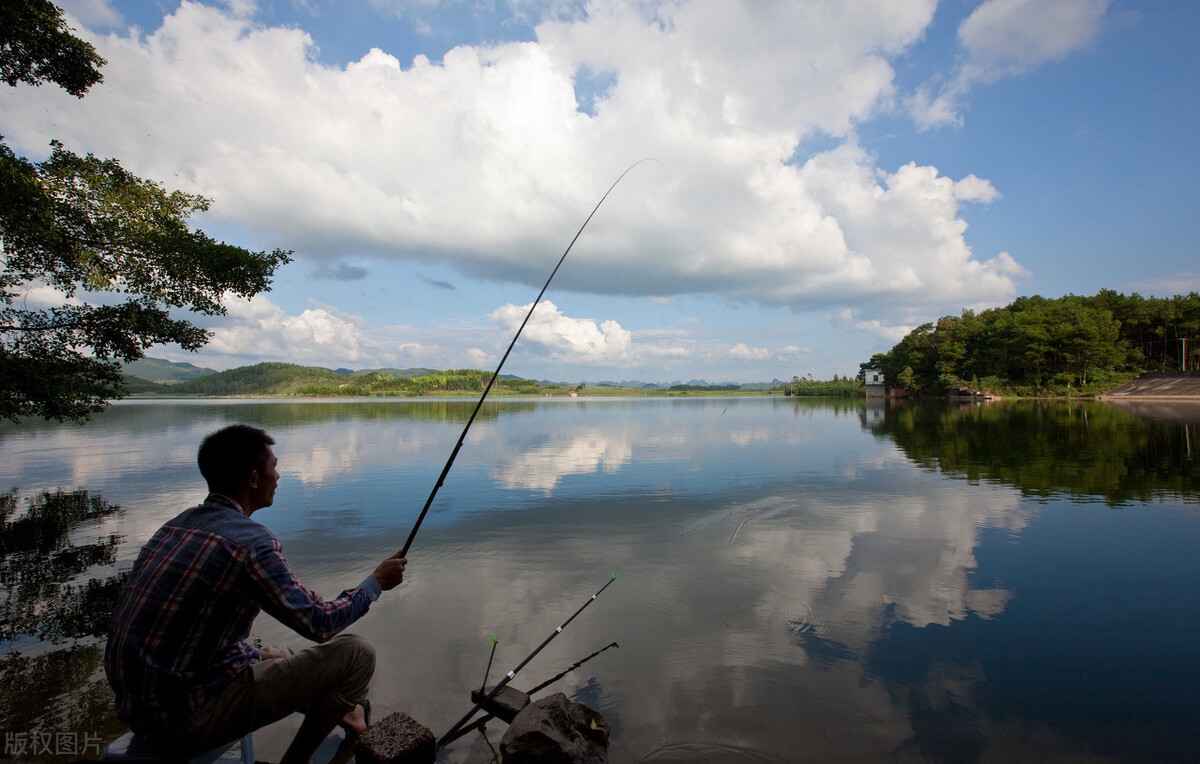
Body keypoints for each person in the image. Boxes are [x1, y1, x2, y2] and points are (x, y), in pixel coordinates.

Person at [105, 424, 408, 764]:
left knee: (274, 652)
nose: (278, 476)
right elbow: (320, 623)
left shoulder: (175, 525)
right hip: (185, 722)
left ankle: (348, 714)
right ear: (252, 479)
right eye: (273, 467)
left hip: (141, 710)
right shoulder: (250, 543)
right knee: (357, 654)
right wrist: (376, 582)